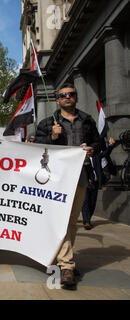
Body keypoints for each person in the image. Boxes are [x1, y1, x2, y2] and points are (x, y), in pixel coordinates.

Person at [34, 82, 101, 289]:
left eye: (71, 94)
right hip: (56, 178)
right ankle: (67, 265)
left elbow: (99, 143)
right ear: (58, 99)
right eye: (63, 95)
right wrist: (53, 137)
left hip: (80, 176)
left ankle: (64, 259)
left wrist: (92, 149)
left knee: (71, 220)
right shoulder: (48, 123)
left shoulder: (87, 121)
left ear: (76, 97)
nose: (67, 97)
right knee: (61, 220)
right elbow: (38, 146)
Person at [82, 137, 117, 230]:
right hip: (85, 184)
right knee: (85, 202)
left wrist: (110, 146)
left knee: (92, 203)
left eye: (90, 150)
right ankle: (86, 221)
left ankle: (88, 218)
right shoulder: (82, 160)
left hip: (95, 183)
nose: (89, 151)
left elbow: (106, 153)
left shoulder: (96, 157)